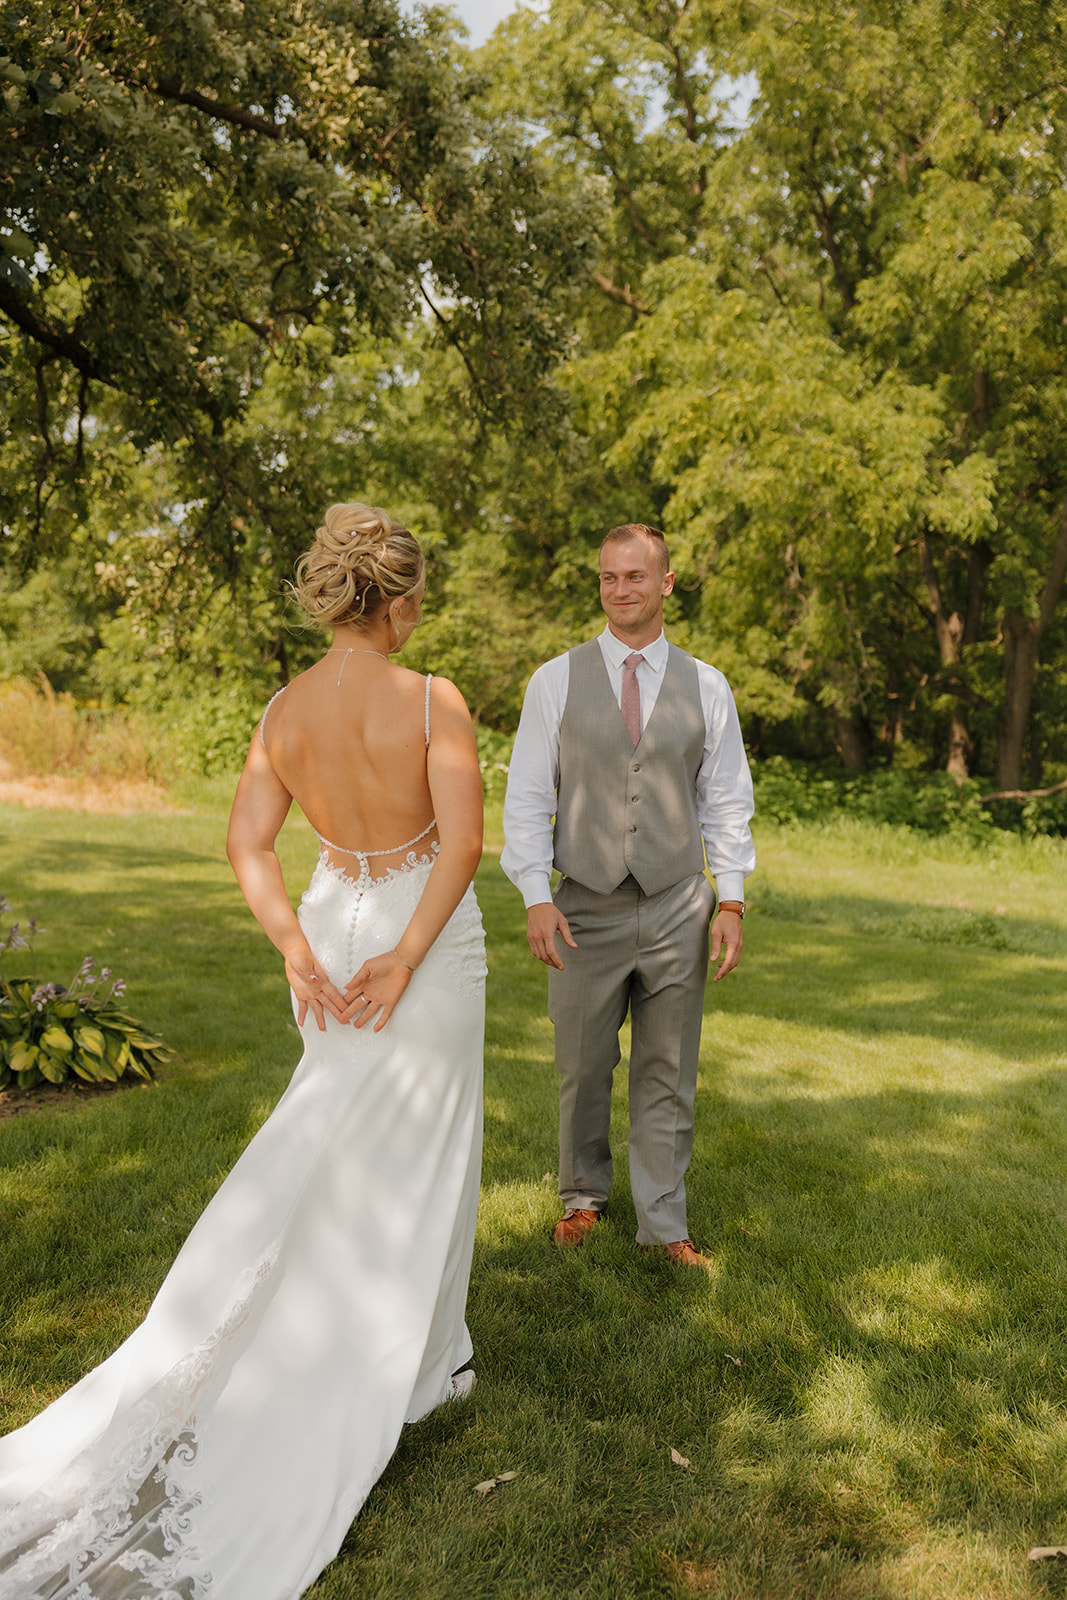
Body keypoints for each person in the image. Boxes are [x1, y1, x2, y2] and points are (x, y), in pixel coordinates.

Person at [0, 503, 486, 1600]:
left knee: (334, 1143)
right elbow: (461, 842)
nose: (420, 616)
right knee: (422, 1154)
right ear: (395, 598)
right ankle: (410, 1366)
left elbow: (245, 840)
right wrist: (408, 955)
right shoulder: (431, 700)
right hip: (416, 942)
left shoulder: (284, 707)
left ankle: (407, 1346)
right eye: (418, 598)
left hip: (329, 930)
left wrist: (293, 949)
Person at [502, 523, 755, 1266]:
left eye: (635, 576)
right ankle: (581, 1196)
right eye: (609, 577)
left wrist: (730, 899)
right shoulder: (555, 680)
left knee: (667, 1067)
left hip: (679, 901)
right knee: (582, 1064)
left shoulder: (706, 685)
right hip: (582, 902)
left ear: (666, 583)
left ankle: (663, 1222)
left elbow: (726, 800)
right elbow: (525, 798)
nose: (620, 589)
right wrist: (533, 895)